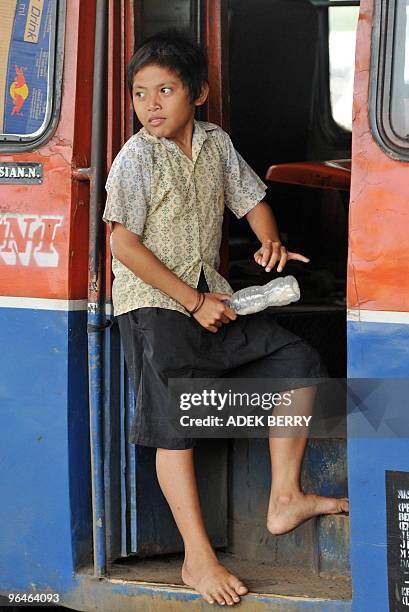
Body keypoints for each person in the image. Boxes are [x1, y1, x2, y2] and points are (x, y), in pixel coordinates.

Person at [103, 30, 349, 607]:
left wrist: (270, 242)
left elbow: (252, 199)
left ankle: (284, 497)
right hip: (156, 305)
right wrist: (192, 302)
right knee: (177, 427)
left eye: (166, 90)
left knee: (297, 361)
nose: (152, 105)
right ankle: (196, 558)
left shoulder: (214, 143)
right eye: (140, 94)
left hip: (214, 297)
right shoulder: (135, 157)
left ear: (200, 94)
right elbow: (124, 246)